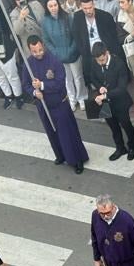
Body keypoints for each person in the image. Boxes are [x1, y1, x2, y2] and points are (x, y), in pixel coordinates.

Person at [26, 32, 89, 174]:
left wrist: (42, 86)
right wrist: (34, 92)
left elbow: (60, 83)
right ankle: (60, 155)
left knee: (67, 134)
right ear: (30, 50)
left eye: (40, 50)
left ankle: (77, 159)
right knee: (52, 132)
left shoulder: (54, 60)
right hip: (43, 105)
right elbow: (26, 85)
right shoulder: (28, 64)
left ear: (43, 46)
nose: (38, 53)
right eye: (34, 51)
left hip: (59, 104)